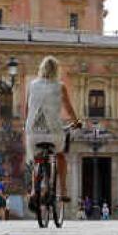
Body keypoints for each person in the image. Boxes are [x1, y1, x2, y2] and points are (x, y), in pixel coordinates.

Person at [24, 56, 80, 206]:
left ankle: (34, 191)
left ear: (41, 69)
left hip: (33, 132)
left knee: (37, 160)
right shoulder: (60, 86)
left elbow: (27, 109)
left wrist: (27, 126)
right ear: (57, 71)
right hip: (54, 132)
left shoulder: (32, 85)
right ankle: (63, 191)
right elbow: (68, 108)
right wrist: (76, 122)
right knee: (60, 155)